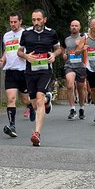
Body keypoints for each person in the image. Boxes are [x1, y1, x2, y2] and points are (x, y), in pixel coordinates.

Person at [17, 9, 61, 146]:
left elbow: (59, 49)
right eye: (34, 20)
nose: (36, 22)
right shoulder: (26, 33)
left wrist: (54, 55)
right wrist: (26, 56)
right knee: (35, 103)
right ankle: (48, 99)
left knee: (39, 98)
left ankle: (37, 134)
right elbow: (19, 51)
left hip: (45, 70)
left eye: (39, 19)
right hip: (30, 71)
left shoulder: (51, 33)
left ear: (44, 20)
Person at [0, 13, 33, 138]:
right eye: (11, 22)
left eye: (15, 22)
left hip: (23, 71)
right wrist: (2, 59)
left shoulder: (26, 34)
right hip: (10, 71)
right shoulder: (6, 36)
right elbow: (7, 50)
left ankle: (31, 105)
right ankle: (12, 125)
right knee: (11, 99)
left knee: (25, 99)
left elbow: (29, 50)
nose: (12, 24)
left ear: (20, 21)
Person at [62, 20, 86, 120]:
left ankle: (81, 108)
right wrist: (64, 54)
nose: (74, 27)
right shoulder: (67, 39)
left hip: (80, 66)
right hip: (69, 65)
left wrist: (81, 46)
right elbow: (62, 48)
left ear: (79, 27)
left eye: (76, 26)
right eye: (72, 26)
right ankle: (72, 109)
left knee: (80, 88)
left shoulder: (83, 38)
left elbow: (88, 49)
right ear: (70, 27)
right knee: (69, 85)